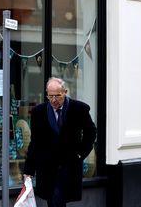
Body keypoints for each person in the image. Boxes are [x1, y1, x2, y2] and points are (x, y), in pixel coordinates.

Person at [23, 77, 96, 207]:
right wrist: (29, 169)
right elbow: (35, 142)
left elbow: (91, 132)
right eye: (50, 96)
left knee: (57, 198)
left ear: (65, 92)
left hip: (69, 166)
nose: (54, 100)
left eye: (57, 96)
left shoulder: (79, 109)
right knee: (54, 200)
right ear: (46, 94)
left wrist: (81, 153)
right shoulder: (38, 112)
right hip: (47, 167)